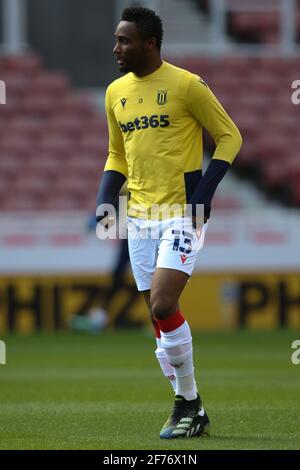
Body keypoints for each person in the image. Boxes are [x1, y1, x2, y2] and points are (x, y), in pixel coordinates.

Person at [96, 7, 242, 439]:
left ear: (150, 44)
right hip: (139, 216)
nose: (116, 47)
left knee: (162, 303)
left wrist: (205, 194)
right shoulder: (115, 92)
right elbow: (117, 153)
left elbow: (230, 135)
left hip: (182, 212)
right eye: (117, 39)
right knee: (158, 318)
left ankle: (187, 403)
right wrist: (106, 196)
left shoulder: (186, 85)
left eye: (124, 40)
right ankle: (191, 406)